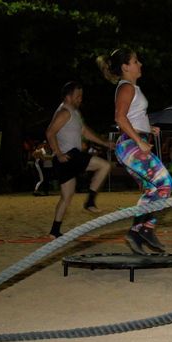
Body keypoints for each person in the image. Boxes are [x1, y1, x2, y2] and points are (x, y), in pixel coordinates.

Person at [98, 48, 172, 254]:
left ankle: (136, 233)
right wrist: (139, 140)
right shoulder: (126, 88)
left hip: (131, 144)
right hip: (131, 145)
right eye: (135, 61)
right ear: (125, 67)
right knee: (166, 183)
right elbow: (120, 118)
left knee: (152, 190)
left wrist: (148, 128)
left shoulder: (131, 87)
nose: (140, 64)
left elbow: (133, 116)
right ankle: (146, 229)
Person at [45, 81, 113, 238]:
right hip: (69, 156)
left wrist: (104, 143)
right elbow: (49, 132)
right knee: (104, 166)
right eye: (77, 96)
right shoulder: (64, 112)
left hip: (67, 159)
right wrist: (58, 153)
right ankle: (90, 201)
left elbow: (85, 132)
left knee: (67, 196)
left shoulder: (74, 112)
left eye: (81, 96)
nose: (80, 99)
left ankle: (54, 231)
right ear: (68, 97)